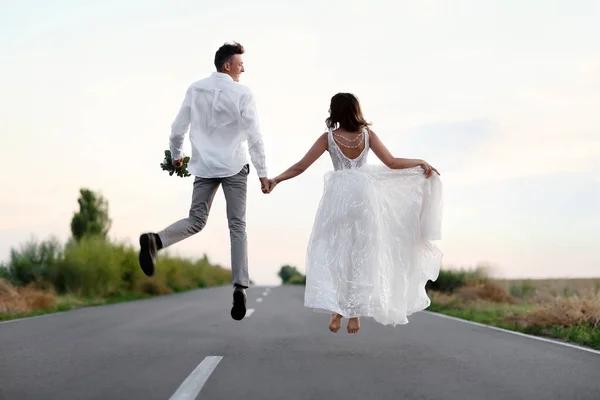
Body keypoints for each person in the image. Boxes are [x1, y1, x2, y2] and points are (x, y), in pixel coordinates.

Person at [266, 93, 443, 333]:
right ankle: (355, 314)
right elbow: (391, 162)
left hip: (338, 199)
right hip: (364, 197)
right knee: (362, 253)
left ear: (334, 111)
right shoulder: (367, 136)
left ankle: (337, 311)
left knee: (337, 252)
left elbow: (301, 166)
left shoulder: (328, 138)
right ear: (356, 110)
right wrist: (419, 161)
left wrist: (277, 179)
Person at [138, 42, 272, 321]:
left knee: (196, 219)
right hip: (234, 166)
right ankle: (239, 288)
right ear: (227, 65)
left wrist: (177, 156)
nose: (243, 68)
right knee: (237, 226)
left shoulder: (195, 88)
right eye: (240, 63)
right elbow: (255, 135)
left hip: (205, 166)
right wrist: (262, 172)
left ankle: (155, 240)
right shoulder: (243, 93)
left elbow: (177, 129)